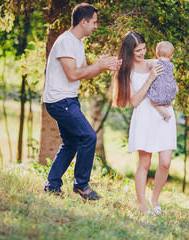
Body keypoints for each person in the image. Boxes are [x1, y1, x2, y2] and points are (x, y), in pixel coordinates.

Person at [42, 3, 121, 200]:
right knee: (88, 137)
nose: (96, 26)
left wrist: (103, 65)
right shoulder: (66, 41)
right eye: (94, 22)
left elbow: (83, 72)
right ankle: (81, 185)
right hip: (60, 101)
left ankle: (52, 185)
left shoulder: (77, 42)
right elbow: (73, 74)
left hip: (68, 100)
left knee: (71, 143)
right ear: (83, 22)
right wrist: (100, 66)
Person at [112, 31, 177, 215]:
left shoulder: (154, 63)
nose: (142, 53)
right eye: (137, 50)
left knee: (165, 163)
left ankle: (154, 198)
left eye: (143, 49)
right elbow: (134, 101)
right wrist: (150, 79)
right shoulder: (126, 70)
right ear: (129, 51)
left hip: (163, 114)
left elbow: (170, 82)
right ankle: (142, 204)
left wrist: (172, 95)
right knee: (145, 162)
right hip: (145, 117)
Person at [146, 41, 177, 122]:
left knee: (154, 103)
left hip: (160, 87)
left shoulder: (156, 62)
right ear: (171, 56)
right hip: (170, 87)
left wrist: (150, 63)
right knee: (171, 91)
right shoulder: (171, 65)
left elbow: (148, 65)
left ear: (157, 54)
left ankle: (166, 114)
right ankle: (168, 103)